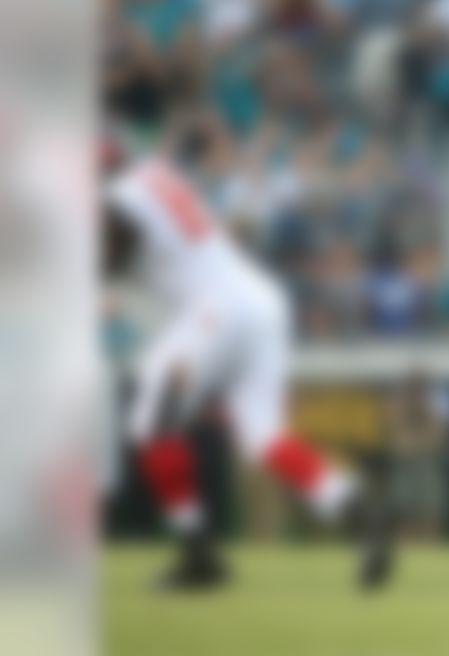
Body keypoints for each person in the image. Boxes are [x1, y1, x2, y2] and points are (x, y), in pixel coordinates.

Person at [101, 135, 395, 592]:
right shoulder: (151, 175)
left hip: (214, 310)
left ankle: (198, 554)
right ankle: (358, 511)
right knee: (264, 438)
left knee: (149, 421)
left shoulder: (118, 196)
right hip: (258, 300)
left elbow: (115, 245)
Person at [387, 368, 449, 541]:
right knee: (403, 511)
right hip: (404, 461)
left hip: (429, 461)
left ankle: (431, 546)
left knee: (431, 509)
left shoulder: (439, 402)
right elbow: (396, 440)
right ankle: (405, 545)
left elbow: (439, 438)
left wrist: (426, 409)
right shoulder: (396, 402)